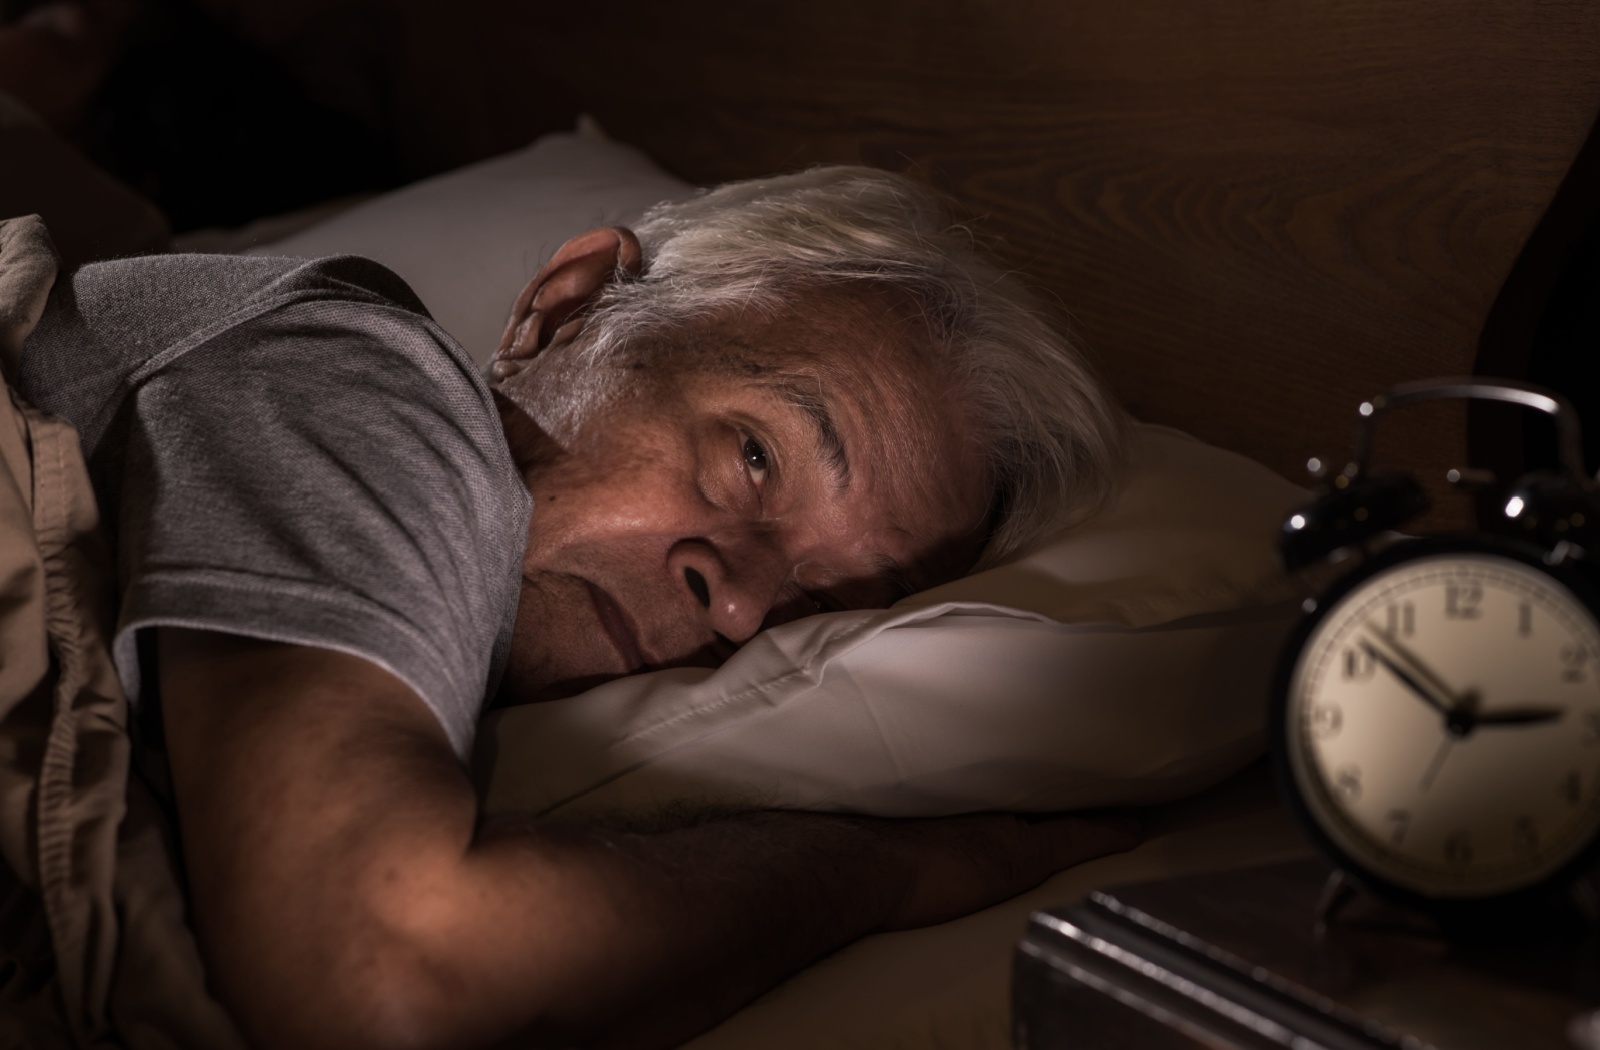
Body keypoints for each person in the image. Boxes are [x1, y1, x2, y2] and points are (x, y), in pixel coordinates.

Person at [11, 127, 1135, 1050]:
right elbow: (388, 970)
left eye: (824, 599)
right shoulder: (361, 373)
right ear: (567, 305)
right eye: (754, 458)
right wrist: (889, 873)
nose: (742, 607)